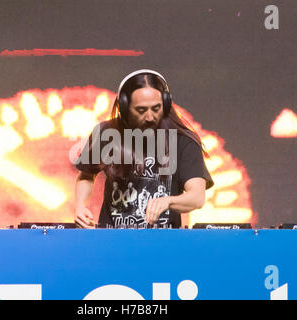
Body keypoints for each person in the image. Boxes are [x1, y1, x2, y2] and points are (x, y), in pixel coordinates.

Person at [74, 69, 214, 229]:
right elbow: (86, 175)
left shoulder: (183, 141)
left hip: (163, 245)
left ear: (166, 104)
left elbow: (196, 197)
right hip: (112, 242)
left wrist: (168, 201)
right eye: (141, 110)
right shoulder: (106, 133)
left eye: (156, 108)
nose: (149, 117)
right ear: (125, 107)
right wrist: (79, 206)